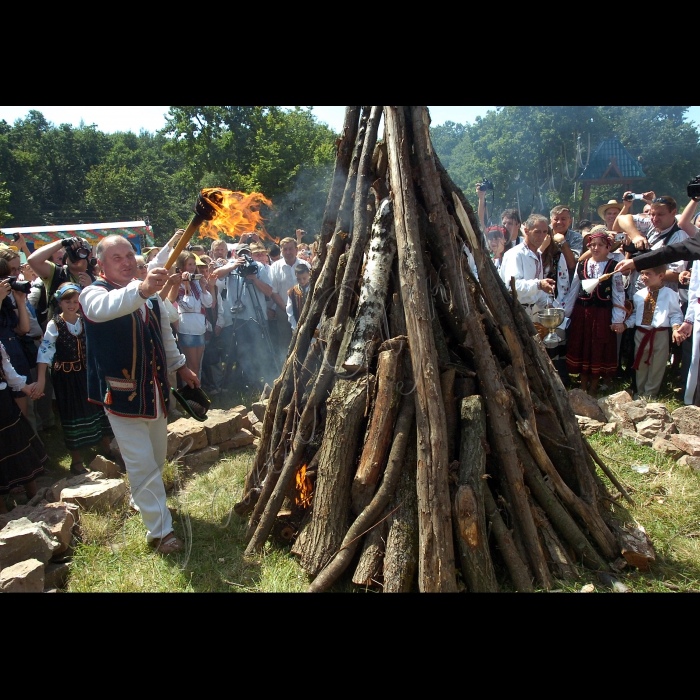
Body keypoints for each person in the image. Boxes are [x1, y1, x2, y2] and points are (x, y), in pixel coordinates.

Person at [80, 235, 199, 554]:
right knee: (143, 464)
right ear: (100, 265)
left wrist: (181, 366)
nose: (125, 262)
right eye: (116, 258)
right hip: (121, 398)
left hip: (157, 392)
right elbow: (106, 308)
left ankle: (141, 499)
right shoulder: (93, 294)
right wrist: (145, 289)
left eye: (129, 255)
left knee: (156, 457)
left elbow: (165, 330)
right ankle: (160, 533)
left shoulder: (145, 292)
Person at [33, 283, 113, 474]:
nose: (72, 305)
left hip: (88, 373)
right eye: (67, 301)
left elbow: (97, 346)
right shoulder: (55, 324)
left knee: (98, 407)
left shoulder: (85, 321)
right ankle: (76, 460)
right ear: (60, 302)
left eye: (75, 301)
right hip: (66, 378)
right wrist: (41, 379)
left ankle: (107, 448)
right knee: (72, 413)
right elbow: (45, 353)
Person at [564, 231, 626, 396]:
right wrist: (566, 313)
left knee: (598, 346)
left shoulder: (614, 267)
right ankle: (582, 386)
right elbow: (573, 290)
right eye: (593, 245)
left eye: (600, 245)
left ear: (608, 247)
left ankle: (594, 386)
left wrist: (618, 319)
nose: (596, 248)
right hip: (582, 313)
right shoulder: (582, 265)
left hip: (602, 315)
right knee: (583, 344)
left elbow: (619, 294)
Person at [212, 242, 275, 393]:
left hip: (257, 316)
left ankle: (264, 380)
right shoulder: (232, 265)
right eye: (241, 254)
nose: (244, 257)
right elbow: (215, 275)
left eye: (247, 253)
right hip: (238, 317)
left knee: (260, 349)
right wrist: (233, 266)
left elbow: (269, 291)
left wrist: (254, 278)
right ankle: (248, 380)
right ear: (235, 254)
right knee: (243, 351)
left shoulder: (258, 267)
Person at [617, 265, 683, 399]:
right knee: (640, 363)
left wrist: (676, 328)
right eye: (642, 273)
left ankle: (650, 394)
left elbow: (675, 314)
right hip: (641, 333)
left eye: (648, 274)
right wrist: (625, 325)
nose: (644, 277)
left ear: (660, 276)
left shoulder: (670, 294)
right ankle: (640, 392)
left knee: (657, 364)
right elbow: (636, 315)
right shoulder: (639, 295)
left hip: (660, 334)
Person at [0, 339, 46, 514]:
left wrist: (27, 388)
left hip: (4, 404)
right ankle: (2, 511)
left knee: (19, 445)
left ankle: (34, 496)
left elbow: (8, 371)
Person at [499, 214, 560, 321]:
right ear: (527, 231)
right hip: (513, 313)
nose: (542, 236)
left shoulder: (537, 254)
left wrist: (549, 306)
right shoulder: (515, 254)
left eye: (545, 232)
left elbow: (538, 293)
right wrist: (539, 284)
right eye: (537, 232)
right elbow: (513, 287)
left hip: (529, 314)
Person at [27, 236, 97, 321]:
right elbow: (32, 260)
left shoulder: (96, 281)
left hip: (85, 330)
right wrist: (62, 243)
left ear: (89, 255)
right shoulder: (56, 273)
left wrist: (91, 288)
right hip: (58, 329)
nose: (75, 257)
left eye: (80, 252)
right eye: (72, 252)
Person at [0, 249, 33, 419]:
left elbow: (24, 329)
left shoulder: (6, 300)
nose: (10, 279)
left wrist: (20, 301)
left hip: (14, 350)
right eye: (6, 275)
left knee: (22, 414)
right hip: (2, 358)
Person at [269, 237, 311, 364]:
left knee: (306, 341)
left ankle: (306, 368)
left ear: (296, 249)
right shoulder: (275, 267)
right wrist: (287, 309)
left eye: (291, 249)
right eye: (285, 249)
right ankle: (286, 368)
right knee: (286, 342)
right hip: (283, 310)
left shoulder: (306, 265)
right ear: (281, 250)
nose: (288, 252)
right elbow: (273, 292)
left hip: (305, 309)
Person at [175, 251, 214, 377]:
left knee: (198, 365)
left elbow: (208, 303)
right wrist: (186, 284)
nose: (192, 267)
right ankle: (191, 394)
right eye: (189, 264)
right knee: (192, 365)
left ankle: (198, 391)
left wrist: (203, 286)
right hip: (187, 329)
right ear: (182, 266)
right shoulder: (178, 284)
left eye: (193, 264)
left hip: (199, 328)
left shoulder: (196, 282)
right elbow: (189, 305)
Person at [286, 264, 311, 331]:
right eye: (299, 279)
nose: (302, 281)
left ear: (309, 274)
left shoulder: (315, 289)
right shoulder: (292, 292)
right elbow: (290, 311)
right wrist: (295, 327)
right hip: (297, 326)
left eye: (304, 278)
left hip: (314, 326)